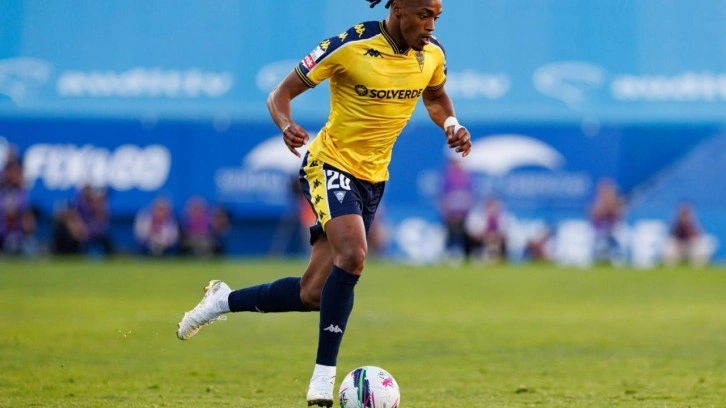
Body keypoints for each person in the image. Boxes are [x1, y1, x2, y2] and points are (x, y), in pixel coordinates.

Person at [176, 0, 471, 406]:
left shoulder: (432, 54)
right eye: (424, 14)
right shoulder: (349, 46)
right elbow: (280, 93)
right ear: (398, 8)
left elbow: (436, 96)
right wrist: (286, 124)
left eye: (436, 16)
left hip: (374, 179)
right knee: (354, 255)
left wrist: (452, 124)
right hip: (329, 164)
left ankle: (222, 300)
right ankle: (322, 380)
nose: (431, 24)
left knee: (312, 293)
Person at [439, 155, 474, 262]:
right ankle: (448, 255)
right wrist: (445, 210)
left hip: (463, 213)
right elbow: (443, 196)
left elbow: (470, 195)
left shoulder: (466, 177)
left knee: (463, 235)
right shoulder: (447, 177)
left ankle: (463, 256)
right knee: (450, 234)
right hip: (450, 213)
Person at [662, 202, 713, 267]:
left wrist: (687, 225)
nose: (684, 216)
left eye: (686, 213)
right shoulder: (675, 223)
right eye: (683, 213)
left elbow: (697, 236)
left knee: (702, 246)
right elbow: (672, 235)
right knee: (669, 246)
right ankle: (670, 267)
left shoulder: (693, 223)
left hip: (691, 246)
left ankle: (698, 267)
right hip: (678, 246)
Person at [590, 178, 625, 265]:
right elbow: (594, 215)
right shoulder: (597, 203)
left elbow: (618, 216)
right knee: (601, 242)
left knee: (619, 237)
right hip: (599, 231)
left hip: (613, 230)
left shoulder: (616, 203)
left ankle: (616, 258)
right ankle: (600, 258)